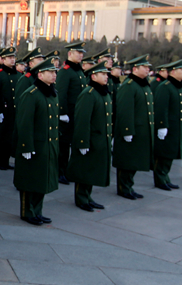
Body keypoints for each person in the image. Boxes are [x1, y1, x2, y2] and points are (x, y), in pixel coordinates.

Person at [15, 56, 59, 225]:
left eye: (55, 72)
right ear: (40, 75)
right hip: (35, 144)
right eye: (50, 72)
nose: (54, 75)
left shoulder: (52, 93)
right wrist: (26, 146)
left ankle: (38, 211)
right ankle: (27, 211)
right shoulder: (31, 94)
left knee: (42, 179)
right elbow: (24, 123)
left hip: (47, 144)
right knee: (30, 178)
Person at [67, 62, 113, 211]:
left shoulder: (101, 92)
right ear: (93, 76)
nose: (107, 77)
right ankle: (81, 198)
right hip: (90, 140)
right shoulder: (88, 94)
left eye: (107, 74)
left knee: (92, 170)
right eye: (103, 74)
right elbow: (82, 120)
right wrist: (82, 142)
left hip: (99, 140)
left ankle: (88, 196)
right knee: (84, 170)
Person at [113, 54, 155, 199]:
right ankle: (123, 188)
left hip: (141, 130)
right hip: (132, 129)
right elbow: (125, 110)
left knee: (135, 160)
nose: (148, 69)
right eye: (145, 67)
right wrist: (127, 130)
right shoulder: (129, 86)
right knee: (128, 160)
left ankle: (129, 186)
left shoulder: (142, 84)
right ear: (135, 69)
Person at [152, 60, 182, 191]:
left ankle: (165, 177)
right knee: (164, 153)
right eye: (181, 70)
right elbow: (162, 108)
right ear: (173, 72)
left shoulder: (178, 86)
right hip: (168, 127)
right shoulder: (165, 87)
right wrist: (162, 125)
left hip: (176, 127)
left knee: (170, 153)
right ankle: (160, 179)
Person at [56, 41, 87, 185]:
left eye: (82, 53)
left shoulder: (78, 71)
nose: (81, 55)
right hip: (67, 115)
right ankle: (59, 172)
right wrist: (62, 112)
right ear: (70, 54)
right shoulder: (66, 71)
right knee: (63, 144)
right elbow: (61, 93)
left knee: (71, 143)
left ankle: (67, 170)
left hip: (76, 114)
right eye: (78, 53)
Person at [0, 46, 19, 170]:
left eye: (13, 57)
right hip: (4, 111)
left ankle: (6, 160)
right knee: (2, 137)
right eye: (9, 57)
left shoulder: (17, 75)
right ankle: (0, 160)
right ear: (3, 59)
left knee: (10, 136)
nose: (12, 60)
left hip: (13, 111)